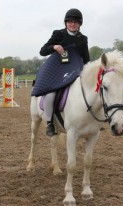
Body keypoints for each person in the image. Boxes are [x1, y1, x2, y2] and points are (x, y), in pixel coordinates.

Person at [39, 8, 90, 136]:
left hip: (75, 69)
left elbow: (86, 59)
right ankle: (50, 123)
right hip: (58, 69)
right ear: (66, 22)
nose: (72, 24)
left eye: (76, 22)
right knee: (51, 93)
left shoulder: (83, 39)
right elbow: (43, 51)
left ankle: (91, 121)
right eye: (70, 21)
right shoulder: (58, 34)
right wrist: (54, 47)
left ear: (79, 24)